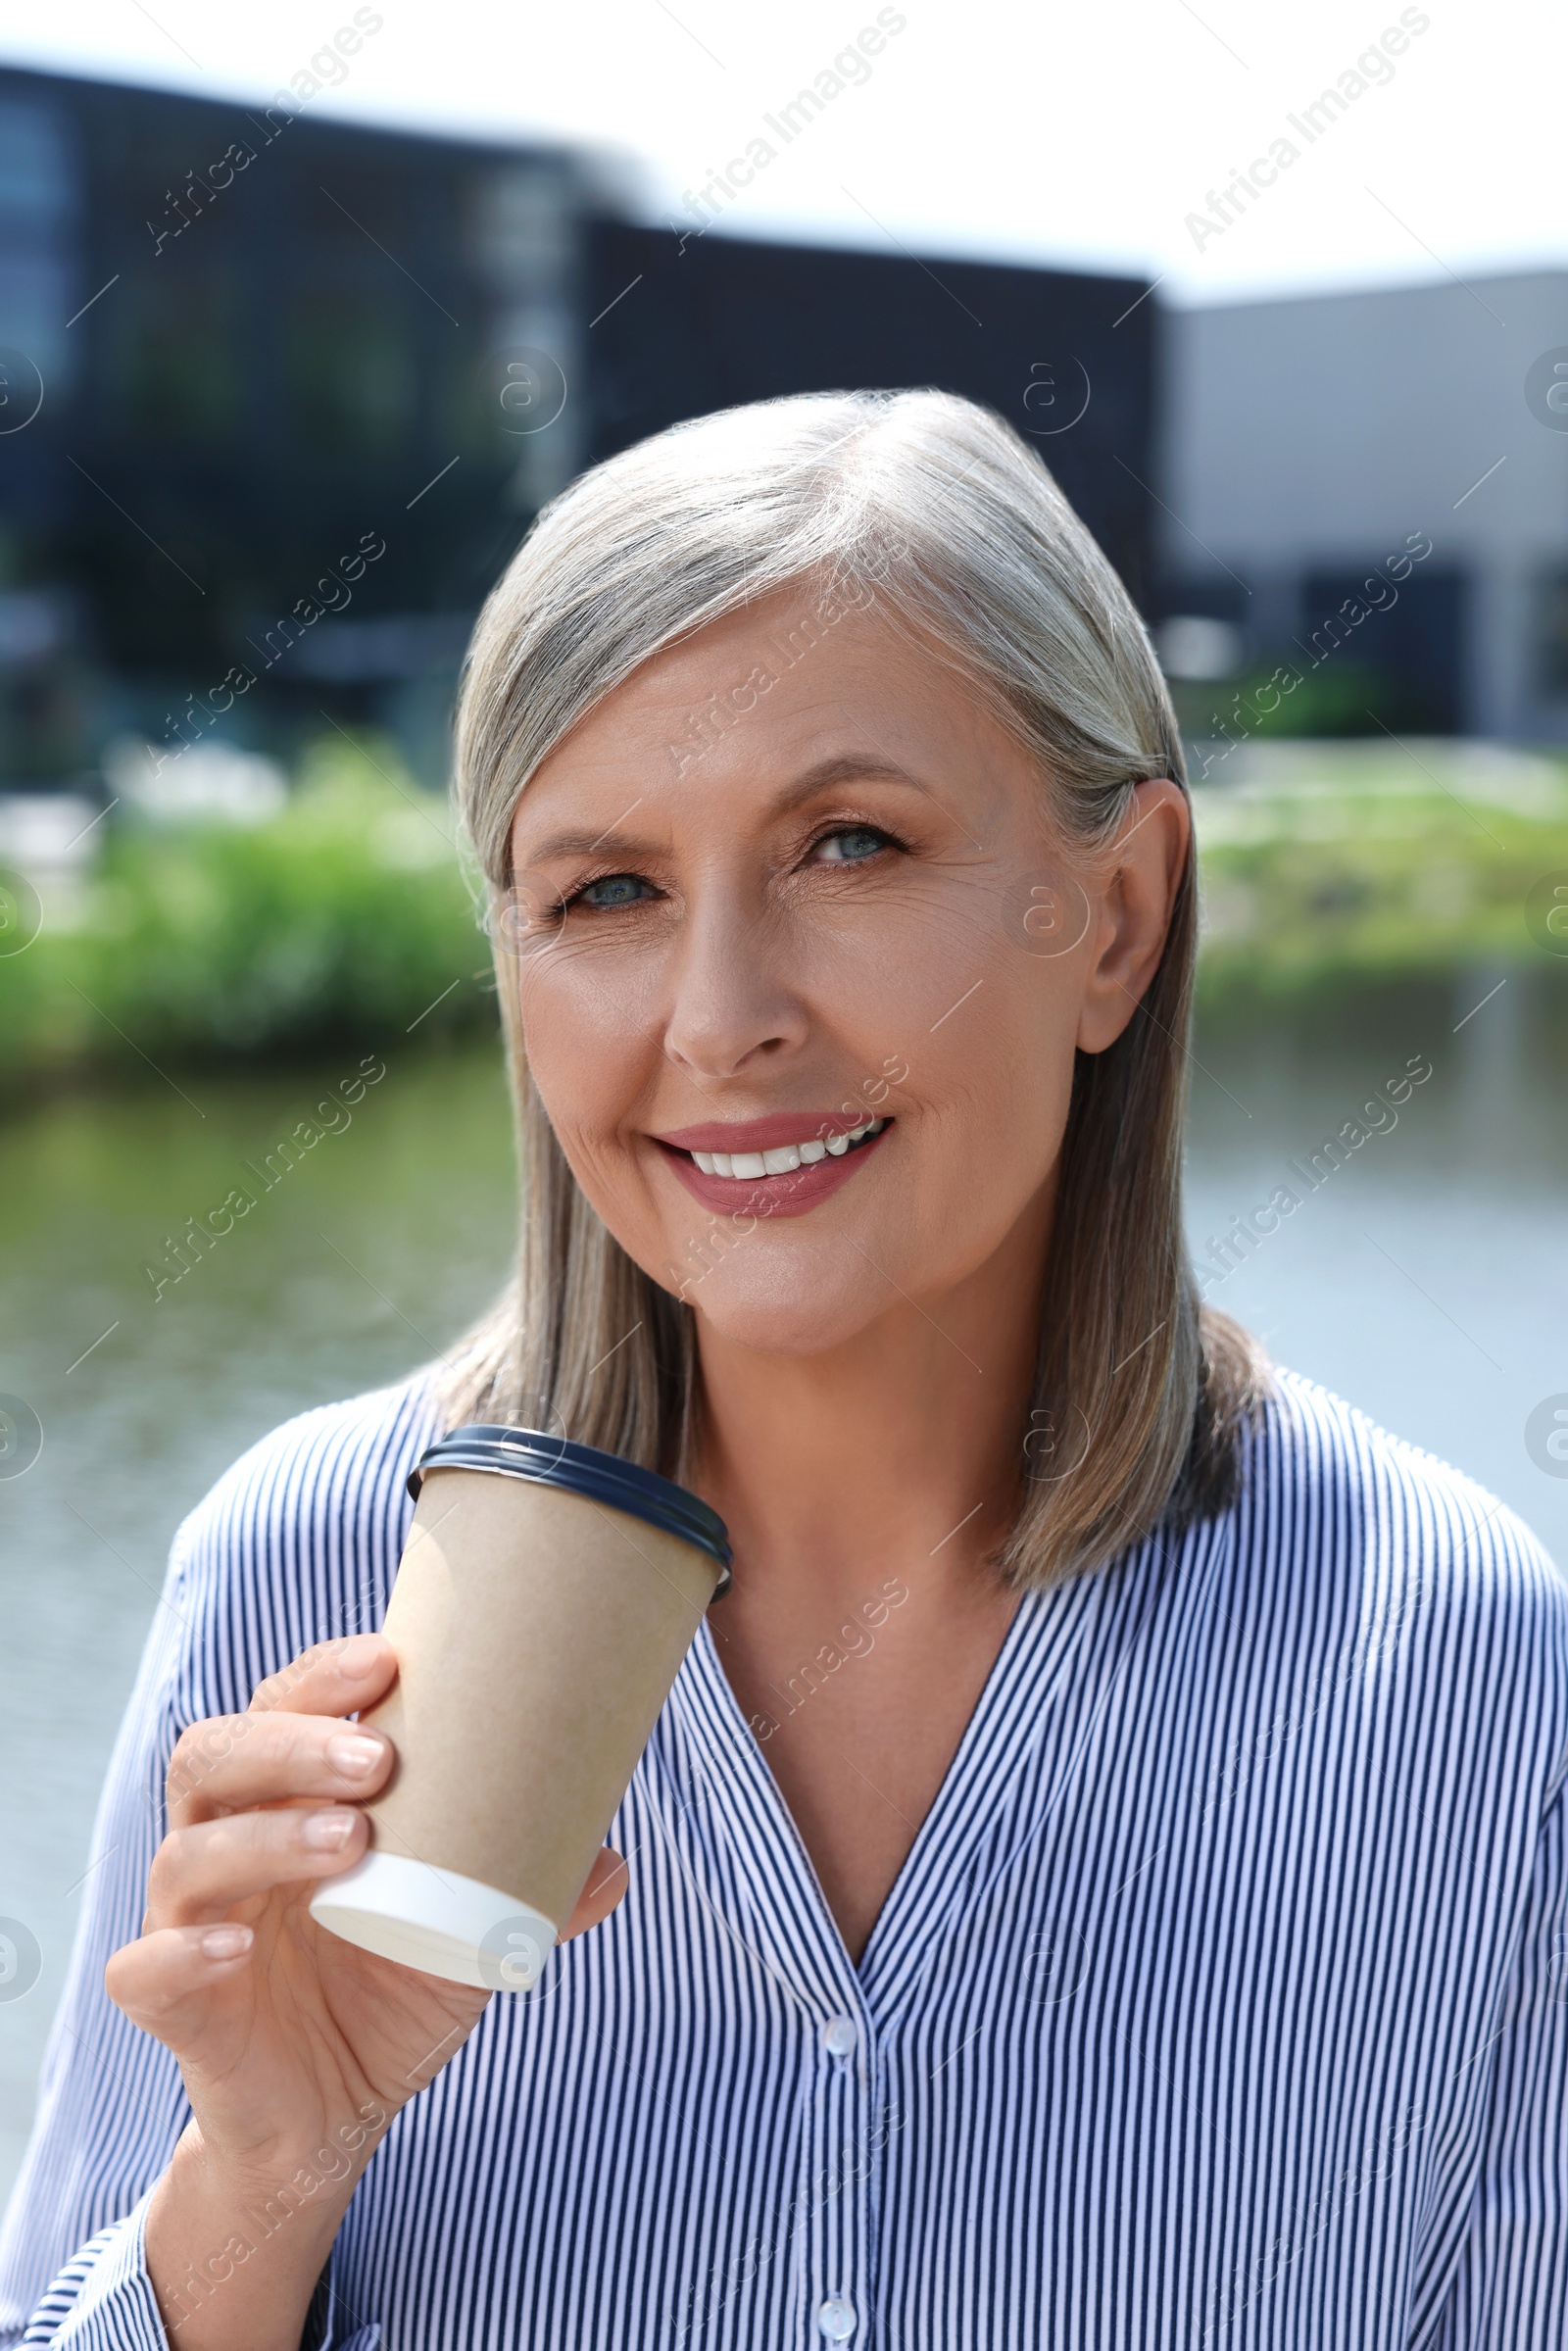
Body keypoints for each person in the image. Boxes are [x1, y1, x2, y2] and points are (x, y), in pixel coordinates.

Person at [2, 391, 1563, 2350]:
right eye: (605, 892)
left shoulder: (1463, 1671)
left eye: (847, 843)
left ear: (1116, 912)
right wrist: (263, 2180)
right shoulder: (295, 1590)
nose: (721, 1016)